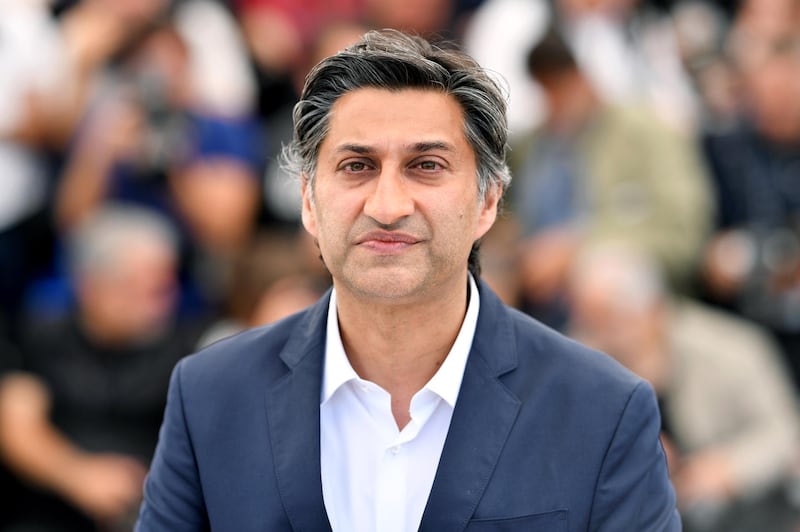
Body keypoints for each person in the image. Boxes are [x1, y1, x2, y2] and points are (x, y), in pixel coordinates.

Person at [136, 29, 679, 531]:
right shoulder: (209, 396)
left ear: (488, 201)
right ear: (307, 201)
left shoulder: (604, 410)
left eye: (426, 166)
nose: (388, 205)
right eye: (357, 166)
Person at [0, 204, 204, 532]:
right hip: (51, 510)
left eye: (166, 286)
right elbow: (17, 427)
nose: (163, 301)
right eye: (143, 288)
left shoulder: (192, 344)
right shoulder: (40, 335)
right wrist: (79, 475)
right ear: (91, 286)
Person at [567, 245, 800, 532]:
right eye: (591, 322)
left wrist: (727, 467)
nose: (603, 335)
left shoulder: (730, 350)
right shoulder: (577, 357)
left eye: (612, 320)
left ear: (653, 308)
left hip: (731, 509)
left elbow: (783, 430)